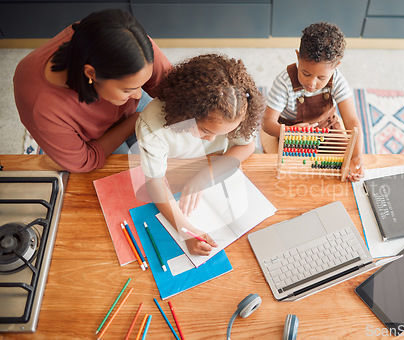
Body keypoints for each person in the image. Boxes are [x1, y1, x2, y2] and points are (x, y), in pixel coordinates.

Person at [136, 54, 265, 256]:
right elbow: (155, 181)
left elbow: (246, 147)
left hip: (208, 165)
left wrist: (205, 176)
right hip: (172, 168)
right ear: (186, 113)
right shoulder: (152, 127)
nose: (212, 139)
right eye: (205, 130)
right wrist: (186, 231)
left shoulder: (235, 113)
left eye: (223, 134)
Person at [13, 9, 171, 172]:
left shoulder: (128, 42)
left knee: (173, 153)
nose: (140, 95)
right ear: (91, 74)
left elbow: (171, 86)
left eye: (142, 84)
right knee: (137, 177)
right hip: (94, 142)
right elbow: (84, 160)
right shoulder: (41, 106)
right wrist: (138, 120)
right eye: (128, 89)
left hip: (127, 114)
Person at [261, 22, 364, 181]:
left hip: (328, 130)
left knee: (342, 165)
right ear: (298, 57)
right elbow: (267, 122)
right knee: (294, 175)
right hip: (294, 134)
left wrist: (356, 157)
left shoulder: (336, 79)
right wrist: (291, 132)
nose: (312, 83)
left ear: (336, 66)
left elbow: (352, 120)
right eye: (306, 73)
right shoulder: (284, 82)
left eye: (321, 77)